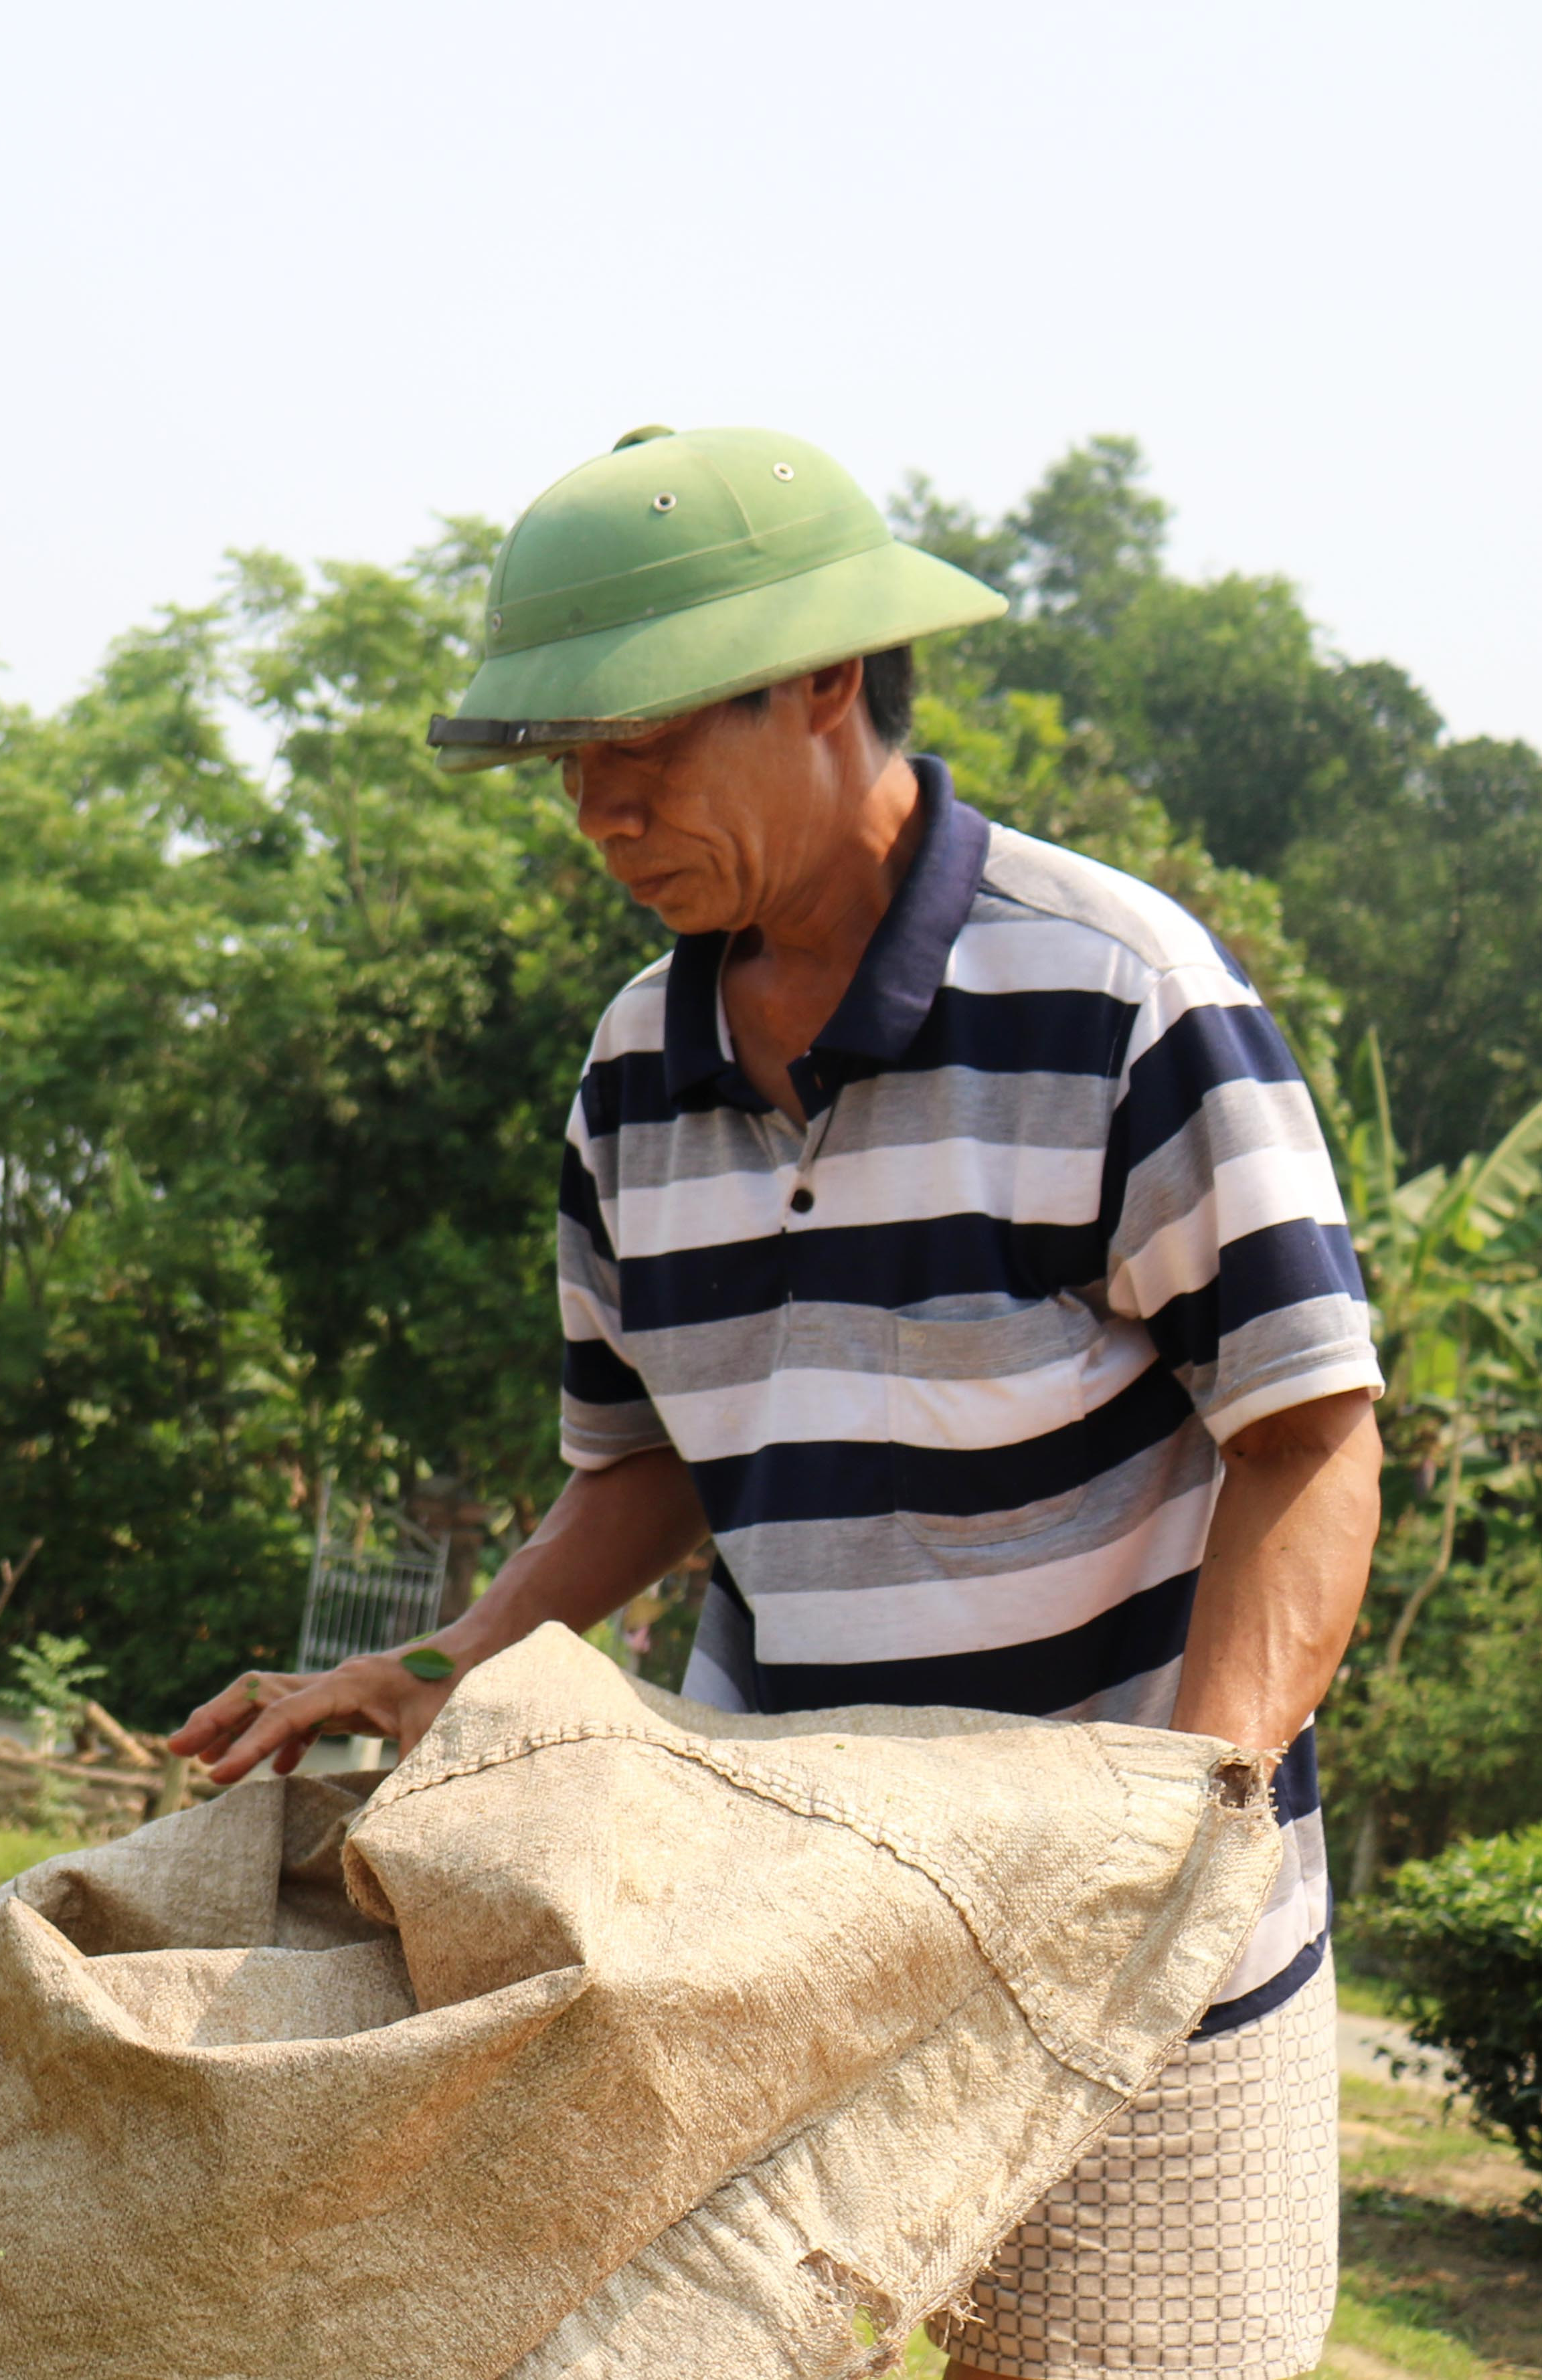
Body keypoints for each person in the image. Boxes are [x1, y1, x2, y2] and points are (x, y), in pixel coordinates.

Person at [172, 426, 1379, 2380]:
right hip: (782, 1922)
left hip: (1139, 1953)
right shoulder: (633, 1076)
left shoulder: (1117, 994)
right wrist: (449, 1663)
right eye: (568, 763)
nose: (600, 806)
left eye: (640, 743)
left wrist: (1199, 1805)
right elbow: (646, 1467)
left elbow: (1309, 1434)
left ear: (829, 687)